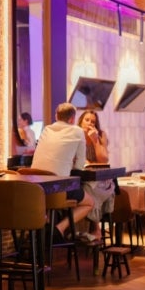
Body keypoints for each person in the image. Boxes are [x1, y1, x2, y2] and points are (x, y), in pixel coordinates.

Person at [31, 102, 94, 241]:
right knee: (90, 203)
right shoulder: (77, 131)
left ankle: (44, 229)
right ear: (72, 119)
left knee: (47, 202)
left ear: (56, 116)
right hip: (58, 188)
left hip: (36, 189)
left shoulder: (46, 129)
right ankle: (58, 229)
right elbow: (79, 165)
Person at [78, 109, 115, 240]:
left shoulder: (100, 135)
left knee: (90, 188)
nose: (90, 123)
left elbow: (104, 160)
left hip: (102, 180)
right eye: (87, 120)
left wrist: (95, 141)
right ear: (80, 122)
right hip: (84, 177)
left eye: (93, 121)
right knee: (86, 186)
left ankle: (96, 230)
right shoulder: (77, 135)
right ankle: (90, 230)